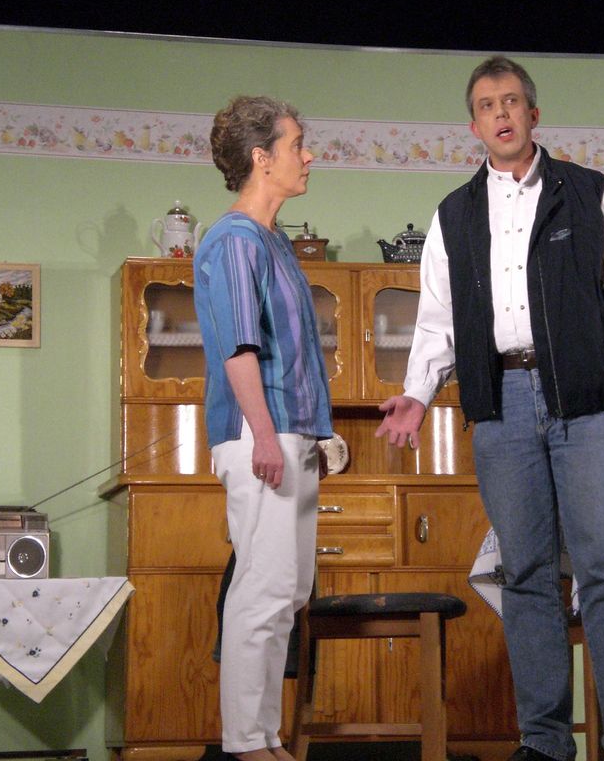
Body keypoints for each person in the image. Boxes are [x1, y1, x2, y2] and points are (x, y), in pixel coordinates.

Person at [375, 56, 604, 761]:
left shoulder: (586, 193)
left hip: (584, 401)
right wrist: (418, 392)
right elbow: (437, 322)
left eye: (511, 101)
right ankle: (546, 741)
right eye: (486, 105)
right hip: (500, 405)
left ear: (532, 114)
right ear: (474, 126)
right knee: (526, 575)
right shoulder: (454, 215)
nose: (500, 113)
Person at [194, 95, 331, 761]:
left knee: (288, 592)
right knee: (263, 587)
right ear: (261, 157)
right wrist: (269, 436)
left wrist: (318, 434)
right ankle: (247, 742)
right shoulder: (234, 240)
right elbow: (239, 349)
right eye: (297, 144)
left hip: (289, 434)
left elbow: (296, 354)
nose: (308, 155)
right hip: (259, 434)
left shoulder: (274, 243)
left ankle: (266, 737)